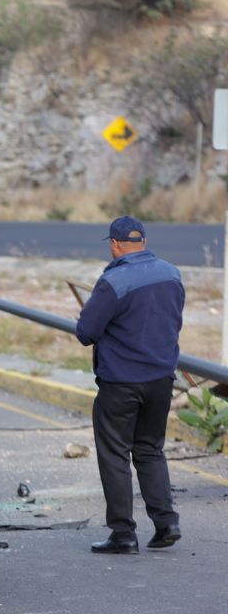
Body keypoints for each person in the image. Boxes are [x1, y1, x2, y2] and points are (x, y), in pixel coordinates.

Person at [75, 215, 184, 554]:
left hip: (121, 382)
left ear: (115, 244)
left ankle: (123, 533)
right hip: (161, 380)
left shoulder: (114, 282)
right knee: (150, 450)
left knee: (115, 455)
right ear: (144, 242)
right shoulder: (171, 273)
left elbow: (86, 332)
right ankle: (167, 523)